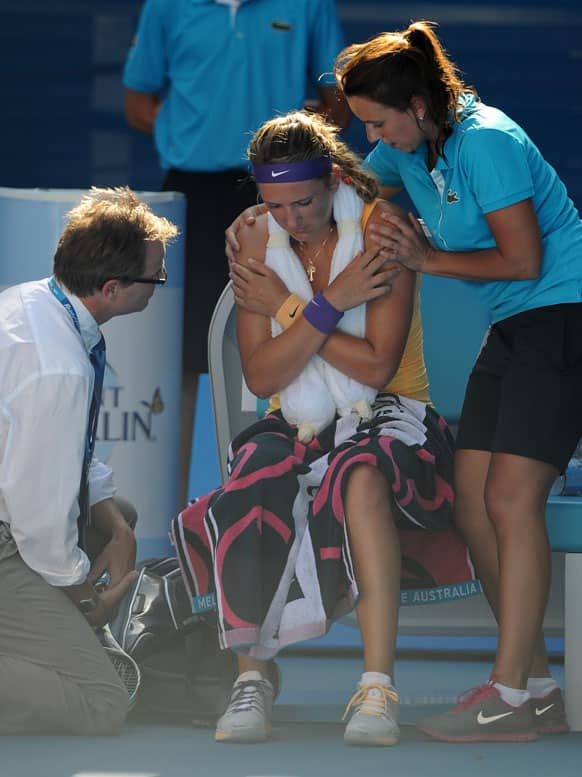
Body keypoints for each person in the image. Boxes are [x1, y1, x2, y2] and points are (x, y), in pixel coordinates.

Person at [172, 110, 476, 746]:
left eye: (304, 202)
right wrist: (332, 300)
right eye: (274, 205)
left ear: (334, 178)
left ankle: (375, 687)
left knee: (361, 475)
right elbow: (261, 377)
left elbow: (375, 366)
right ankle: (250, 681)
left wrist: (288, 310)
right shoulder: (253, 236)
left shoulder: (382, 233)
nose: (292, 220)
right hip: (295, 419)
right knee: (253, 476)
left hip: (394, 413)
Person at [327, 20, 582, 742]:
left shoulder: (488, 140)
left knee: (510, 496)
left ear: (416, 104)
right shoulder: (411, 147)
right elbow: (348, 180)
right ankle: (533, 689)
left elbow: (524, 260)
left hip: (564, 315)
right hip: (513, 329)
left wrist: (424, 260)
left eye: (379, 120)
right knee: (471, 503)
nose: (374, 135)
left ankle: (505, 692)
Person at [122, 0, 351, 509]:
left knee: (288, 349)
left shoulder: (308, 4)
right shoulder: (167, 6)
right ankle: (174, 525)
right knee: (179, 361)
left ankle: (279, 514)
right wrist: (197, 129)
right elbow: (137, 104)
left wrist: (299, 134)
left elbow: (339, 102)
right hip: (192, 196)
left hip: (281, 186)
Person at [0, 187, 178, 735]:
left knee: (116, 512)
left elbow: (69, 457)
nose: (161, 284)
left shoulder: (31, 300)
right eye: (157, 276)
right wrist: (82, 595)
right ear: (112, 288)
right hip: (10, 531)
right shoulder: (59, 368)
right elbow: (35, 516)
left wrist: (118, 529)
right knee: (100, 701)